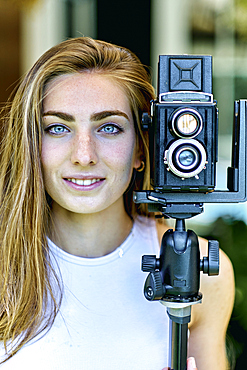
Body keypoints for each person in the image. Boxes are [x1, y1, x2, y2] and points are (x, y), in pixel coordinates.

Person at [0, 37, 234, 369]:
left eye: (109, 128)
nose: (84, 155)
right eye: (57, 128)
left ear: (142, 147)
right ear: (31, 144)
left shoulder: (201, 271)